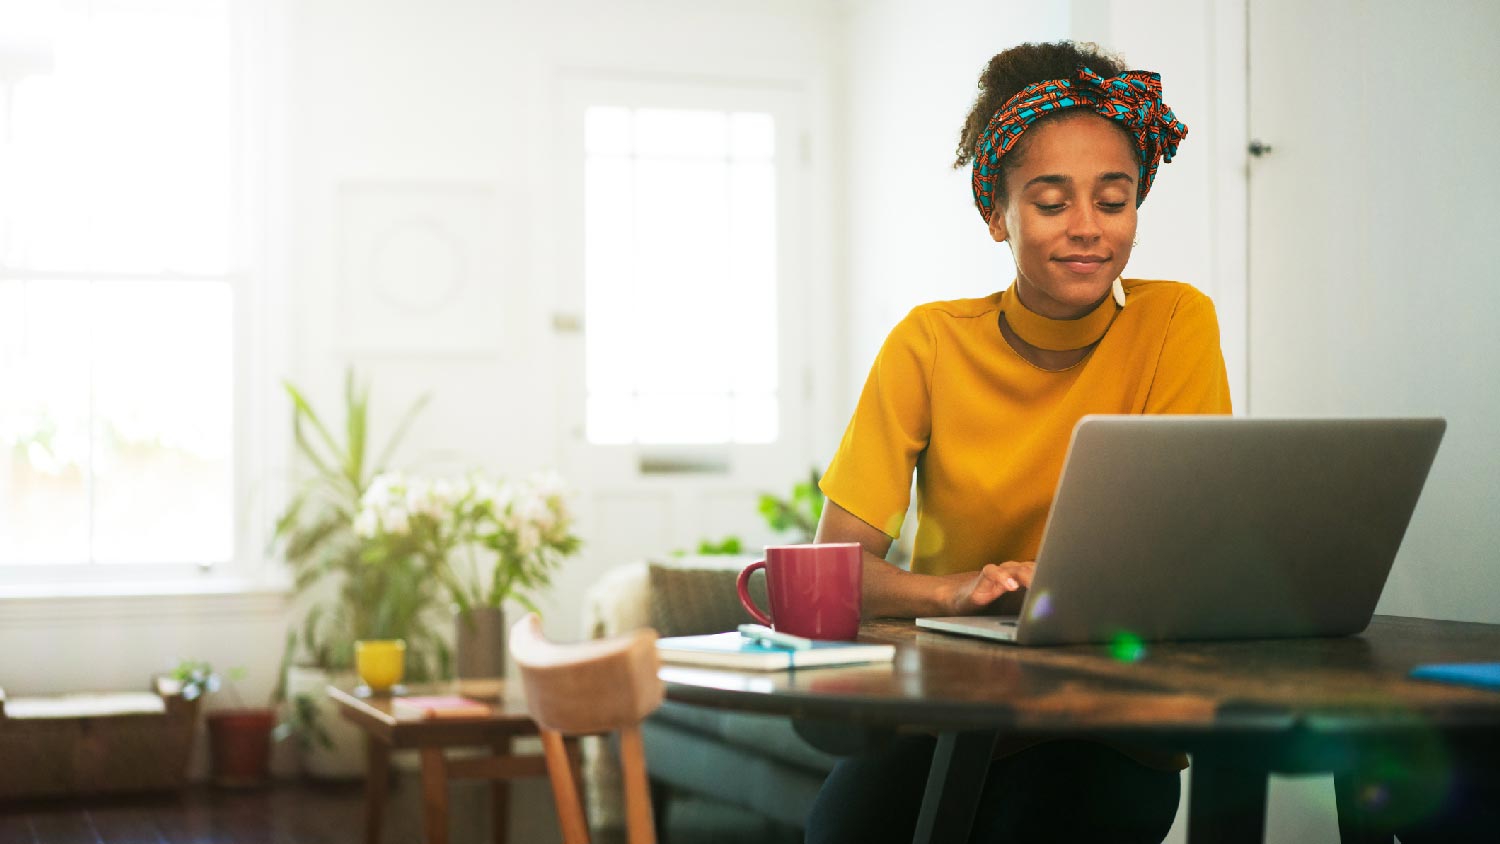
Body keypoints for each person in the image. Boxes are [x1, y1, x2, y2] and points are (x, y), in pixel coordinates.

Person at [804, 40, 1225, 843]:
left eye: (1113, 199)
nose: (1087, 230)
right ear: (994, 212)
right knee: (838, 834)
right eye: (1051, 200)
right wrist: (956, 592)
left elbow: (1185, 554)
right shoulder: (927, 344)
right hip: (948, 705)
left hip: (1106, 718)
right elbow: (834, 571)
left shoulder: (1177, 323)